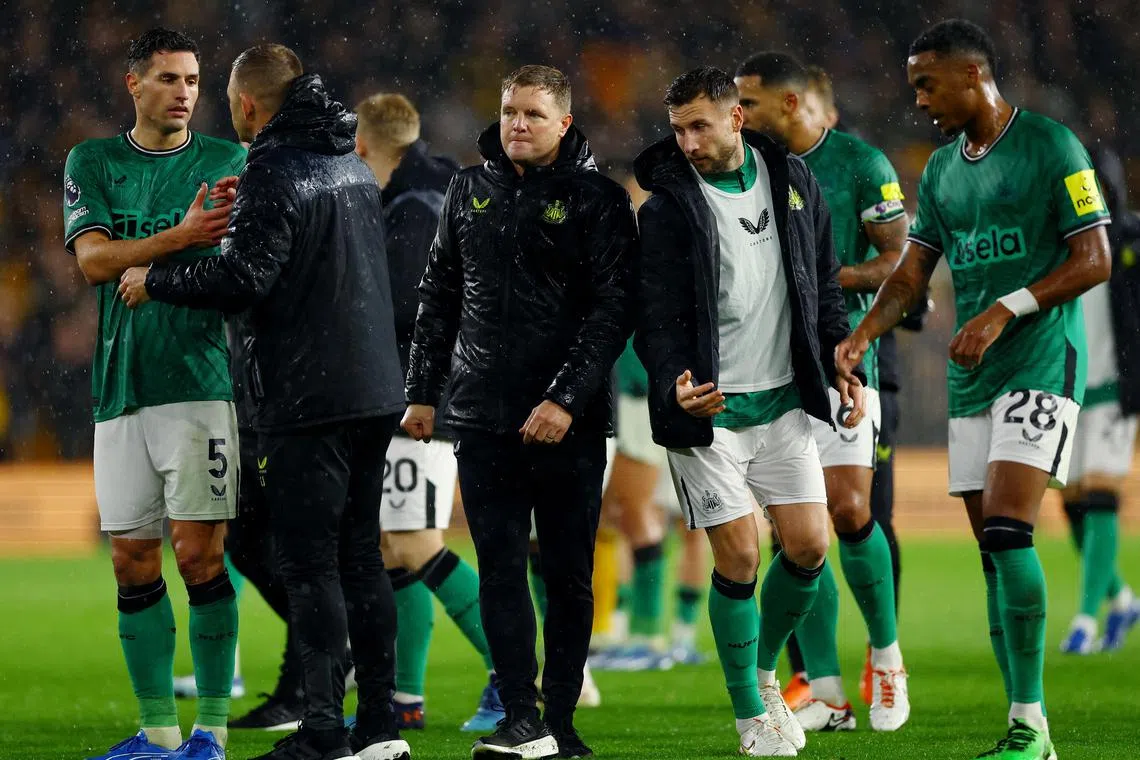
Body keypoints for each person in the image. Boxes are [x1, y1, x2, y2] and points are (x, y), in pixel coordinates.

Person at [118, 44, 410, 760]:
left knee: (308, 564)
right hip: (374, 388)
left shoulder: (273, 168)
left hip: (309, 395)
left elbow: (246, 278)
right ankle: (379, 727)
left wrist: (157, 279)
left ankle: (323, 731)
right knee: (360, 558)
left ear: (246, 104)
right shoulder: (349, 163)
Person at [836, 19, 1112, 760]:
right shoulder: (941, 172)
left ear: (971, 75)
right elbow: (911, 276)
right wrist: (863, 337)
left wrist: (1004, 308)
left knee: (1009, 532)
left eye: (927, 84)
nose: (919, 100)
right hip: (971, 378)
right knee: (993, 554)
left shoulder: (1052, 146)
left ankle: (1032, 726)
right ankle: (1024, 723)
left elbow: (1094, 258)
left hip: (1040, 360)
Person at [402, 64, 636, 760]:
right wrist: (422, 391)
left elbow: (613, 310)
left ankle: (560, 721)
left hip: (570, 425)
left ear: (564, 122)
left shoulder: (597, 199)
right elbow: (438, 293)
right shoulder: (467, 189)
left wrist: (564, 399)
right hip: (482, 417)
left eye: (533, 114)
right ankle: (519, 717)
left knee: (566, 576)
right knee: (500, 572)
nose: (518, 124)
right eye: (510, 112)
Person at [634, 66, 865, 757]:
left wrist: (839, 358)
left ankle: (762, 675)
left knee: (811, 546)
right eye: (678, 130)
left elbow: (821, 284)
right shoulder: (667, 208)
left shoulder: (794, 181)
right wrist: (674, 383)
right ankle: (749, 719)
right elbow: (656, 318)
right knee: (738, 554)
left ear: (736, 118)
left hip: (785, 401)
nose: (688, 143)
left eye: (700, 126)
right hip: (710, 412)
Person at [64, 27, 244, 760]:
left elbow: (239, 270)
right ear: (133, 84)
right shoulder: (93, 161)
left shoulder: (228, 162)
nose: (184, 93)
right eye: (169, 78)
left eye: (194, 80)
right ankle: (158, 732)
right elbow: (93, 262)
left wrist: (162, 264)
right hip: (118, 388)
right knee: (131, 562)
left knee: (200, 558)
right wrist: (179, 236)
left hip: (197, 384)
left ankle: (213, 731)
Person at [735, 51, 911, 733]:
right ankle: (828, 692)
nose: (739, 114)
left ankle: (887, 658)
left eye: (749, 101)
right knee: (795, 537)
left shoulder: (861, 164)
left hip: (846, 354)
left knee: (850, 509)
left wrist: (818, 278)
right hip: (773, 368)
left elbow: (899, 264)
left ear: (788, 103)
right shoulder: (747, 167)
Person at [354, 92, 503, 732]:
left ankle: (512, 677)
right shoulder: (442, 187)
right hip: (432, 389)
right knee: (395, 545)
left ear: (362, 146)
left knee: (416, 543)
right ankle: (404, 696)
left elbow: (410, 309)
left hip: (421, 396)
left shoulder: (413, 207)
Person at [1058, 127, 1140, 654]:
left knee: (1101, 495)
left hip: (1115, 390)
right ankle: (1123, 599)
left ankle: (1086, 622)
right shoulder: (1059, 244)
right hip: (1069, 390)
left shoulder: (1131, 240)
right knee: (1071, 503)